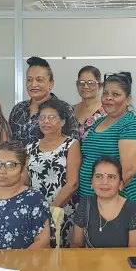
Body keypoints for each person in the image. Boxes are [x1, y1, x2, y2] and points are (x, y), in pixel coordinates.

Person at [79, 72, 136, 204]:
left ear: (128, 100)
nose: (108, 98)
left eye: (115, 94)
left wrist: (106, 199)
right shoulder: (99, 122)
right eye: (105, 93)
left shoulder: (131, 125)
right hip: (93, 202)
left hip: (119, 203)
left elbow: (128, 172)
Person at [27, 99, 81, 247]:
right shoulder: (30, 147)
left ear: (63, 122)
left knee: (61, 254)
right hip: (35, 211)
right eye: (42, 117)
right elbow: (24, 181)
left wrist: (51, 211)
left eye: (52, 117)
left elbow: (72, 183)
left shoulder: (71, 144)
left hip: (63, 209)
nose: (46, 122)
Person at [71, 155, 136, 248]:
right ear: (91, 182)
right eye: (99, 176)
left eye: (111, 177)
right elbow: (77, 245)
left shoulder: (133, 209)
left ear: (120, 184)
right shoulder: (85, 204)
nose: (104, 182)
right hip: (92, 262)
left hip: (123, 262)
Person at [9, 57, 80, 146]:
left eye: (39, 80)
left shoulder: (64, 109)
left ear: (51, 83)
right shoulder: (18, 109)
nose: (33, 84)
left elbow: (73, 144)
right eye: (29, 80)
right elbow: (10, 142)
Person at [72, 65, 106, 141]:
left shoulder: (106, 112)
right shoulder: (69, 111)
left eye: (91, 83)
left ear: (99, 86)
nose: (86, 86)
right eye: (81, 83)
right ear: (77, 85)